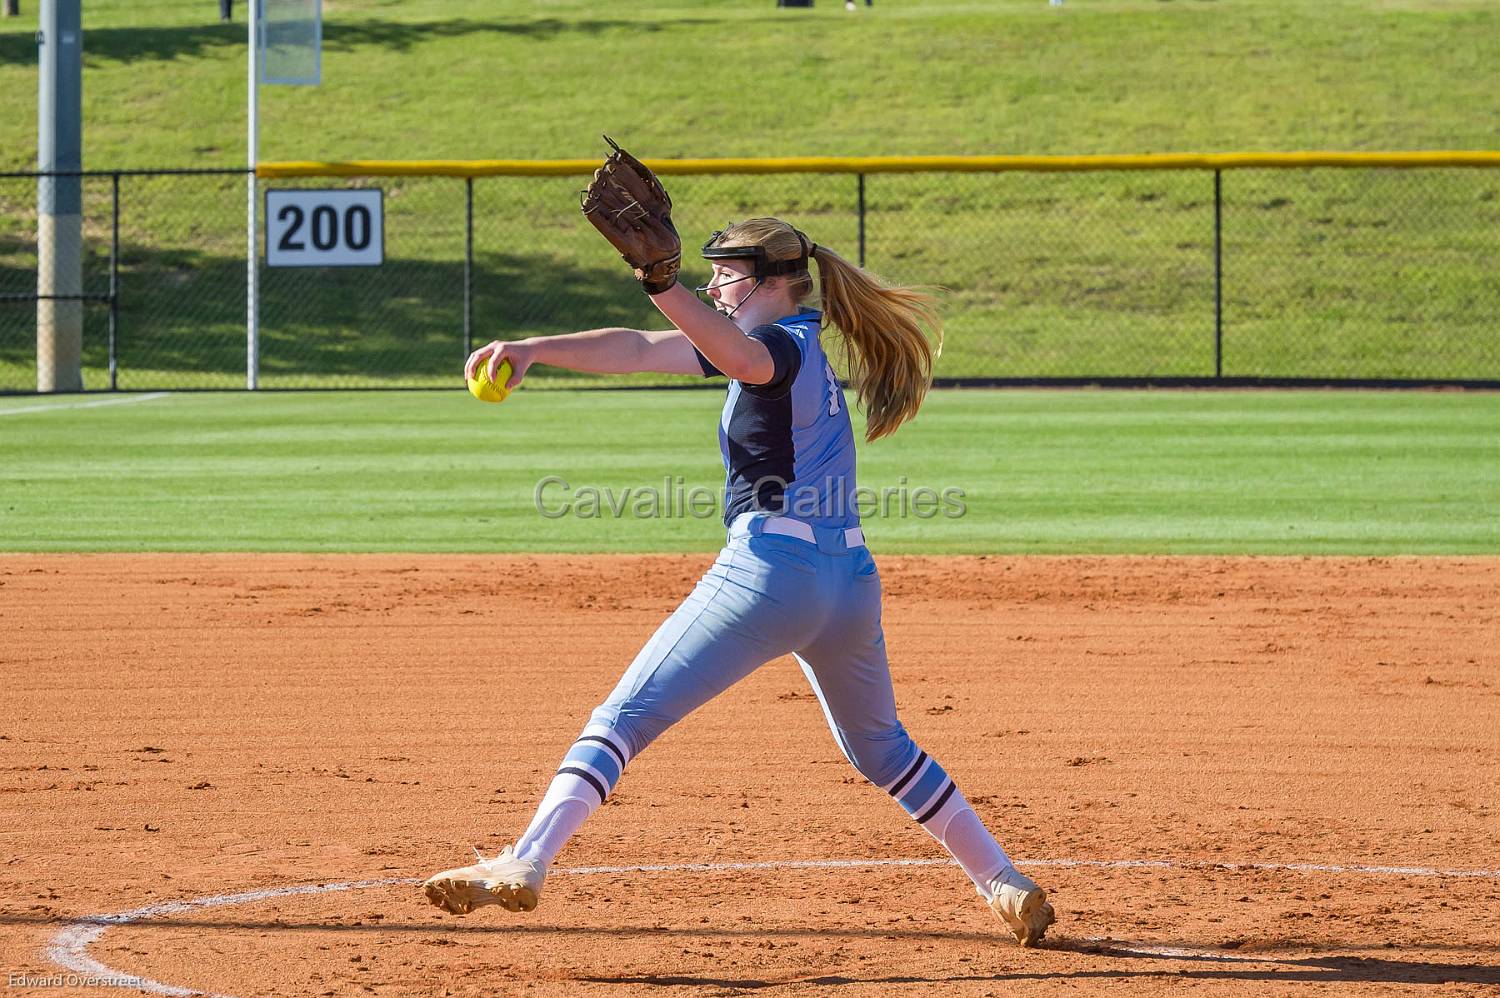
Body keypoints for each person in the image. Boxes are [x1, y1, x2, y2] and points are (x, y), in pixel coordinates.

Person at [423, 208, 1056, 947]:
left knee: (621, 722)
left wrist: (659, 281)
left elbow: (745, 362)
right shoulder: (786, 340)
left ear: (769, 283)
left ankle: (525, 862)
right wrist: (536, 349)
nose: (713, 285)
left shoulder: (773, 347)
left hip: (769, 573)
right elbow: (639, 349)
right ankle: (1004, 882)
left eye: (725, 273)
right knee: (883, 750)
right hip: (848, 582)